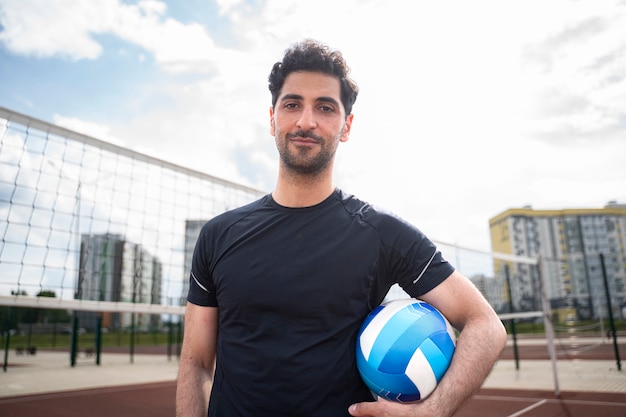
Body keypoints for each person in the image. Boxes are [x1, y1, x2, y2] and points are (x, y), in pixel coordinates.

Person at [176, 39, 507, 417]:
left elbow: (486, 326)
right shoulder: (218, 236)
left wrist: (431, 413)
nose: (306, 121)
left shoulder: (381, 234)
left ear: (346, 126)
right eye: (292, 104)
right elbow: (196, 363)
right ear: (272, 119)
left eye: (325, 107)